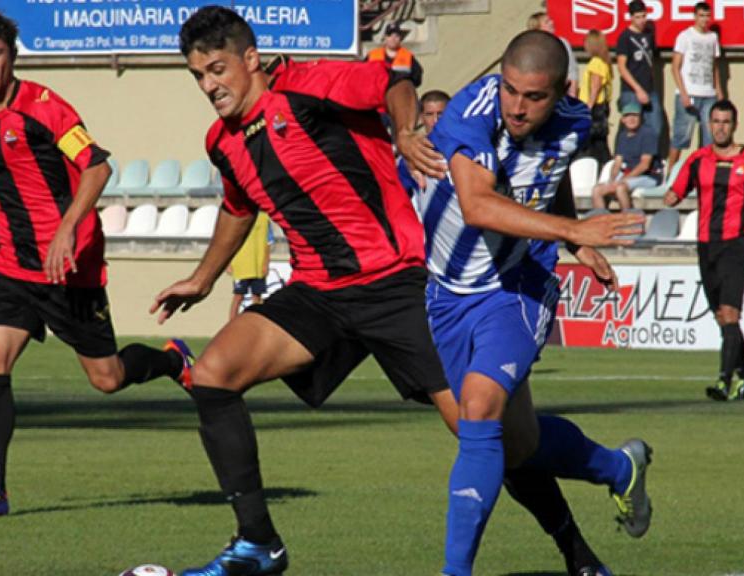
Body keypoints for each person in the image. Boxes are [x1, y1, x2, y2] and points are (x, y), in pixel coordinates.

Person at [155, 7, 467, 575]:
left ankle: (597, 500)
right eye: (198, 75)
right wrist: (202, 279)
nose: (209, 86)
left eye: (217, 70)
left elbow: (393, 82)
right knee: (213, 375)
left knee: (478, 430)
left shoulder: (308, 85)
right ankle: (258, 544)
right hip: (319, 293)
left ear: (251, 59)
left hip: (395, 280)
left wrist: (404, 130)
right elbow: (238, 207)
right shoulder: (222, 142)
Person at [0, 7, 185, 516]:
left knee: (107, 378)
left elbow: (97, 166)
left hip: (68, 264)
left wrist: (67, 227)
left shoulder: (45, 107)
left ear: (12, 55)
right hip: (11, 264)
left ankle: (174, 359)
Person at [423, 31, 652, 576]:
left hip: (518, 285)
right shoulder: (469, 114)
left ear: (561, 92)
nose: (517, 107)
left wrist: (572, 242)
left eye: (534, 96)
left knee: (479, 411)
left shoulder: (574, 121)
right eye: (510, 90)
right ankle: (619, 469)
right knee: (515, 445)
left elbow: (550, 177)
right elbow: (477, 205)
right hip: (445, 294)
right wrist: (574, 229)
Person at [665, 100, 744, 401]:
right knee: (722, 317)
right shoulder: (698, 160)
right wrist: (669, 196)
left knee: (731, 312)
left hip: (737, 245)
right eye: (716, 122)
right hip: (706, 246)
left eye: (726, 122)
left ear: (735, 125)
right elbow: (675, 192)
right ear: (709, 125)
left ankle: (724, 381)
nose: (720, 127)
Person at [667, 2, 722, 174]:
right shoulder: (685, 36)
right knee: (681, 136)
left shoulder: (712, 37)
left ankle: (703, 174)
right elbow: (675, 67)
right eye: (701, 16)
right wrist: (683, 93)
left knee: (709, 137)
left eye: (707, 16)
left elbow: (714, 66)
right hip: (689, 92)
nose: (704, 19)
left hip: (708, 94)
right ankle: (670, 174)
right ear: (695, 16)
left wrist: (719, 90)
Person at [591, 103, 661, 210]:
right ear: (622, 119)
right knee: (597, 190)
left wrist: (623, 179)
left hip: (649, 176)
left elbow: (644, 165)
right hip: (627, 176)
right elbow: (617, 163)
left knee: (620, 188)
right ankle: (601, 218)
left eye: (635, 115)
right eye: (627, 116)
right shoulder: (622, 136)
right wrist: (612, 180)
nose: (631, 119)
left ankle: (627, 218)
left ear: (640, 118)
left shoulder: (648, 133)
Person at [616, 1, 663, 141]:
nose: (642, 20)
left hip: (649, 89)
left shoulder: (649, 35)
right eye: (637, 17)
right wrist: (638, 90)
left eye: (643, 16)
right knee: (630, 129)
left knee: (656, 127)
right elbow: (622, 67)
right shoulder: (625, 37)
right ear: (631, 17)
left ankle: (649, 153)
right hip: (631, 91)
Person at [227, 211, 273, 321]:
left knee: (257, 296)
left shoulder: (264, 219)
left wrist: (266, 263)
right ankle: (232, 323)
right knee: (238, 296)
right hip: (240, 264)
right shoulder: (239, 216)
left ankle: (255, 322)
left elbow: (268, 242)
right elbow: (229, 241)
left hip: (258, 264)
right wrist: (228, 262)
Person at [579, 29, 613, 164]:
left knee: (595, 144)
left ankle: (602, 166)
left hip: (594, 109)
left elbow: (595, 87)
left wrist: (588, 108)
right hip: (601, 108)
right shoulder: (604, 62)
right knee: (600, 143)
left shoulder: (596, 63)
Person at [527, 11, 579, 98]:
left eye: (550, 20)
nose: (552, 22)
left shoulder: (562, 43)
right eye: (547, 22)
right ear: (538, 28)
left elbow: (572, 70)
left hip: (560, 95)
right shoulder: (529, 47)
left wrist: (572, 95)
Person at [366, 22, 423, 88]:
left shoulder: (408, 56)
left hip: (400, 91)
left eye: (396, 36)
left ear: (400, 38)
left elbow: (417, 78)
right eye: (390, 35)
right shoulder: (372, 55)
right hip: (377, 91)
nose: (393, 39)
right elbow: (363, 75)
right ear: (385, 37)